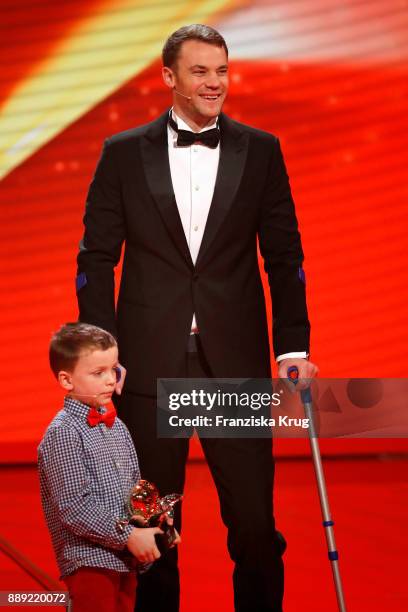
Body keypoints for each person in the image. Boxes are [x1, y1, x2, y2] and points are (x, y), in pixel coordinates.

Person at [76, 24, 318, 612]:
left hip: (230, 364)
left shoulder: (260, 150)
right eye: (200, 72)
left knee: (255, 526)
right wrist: (102, 353)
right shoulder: (123, 153)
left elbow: (285, 257)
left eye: (222, 71)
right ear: (168, 78)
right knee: (155, 531)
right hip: (149, 365)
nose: (215, 84)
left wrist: (292, 347)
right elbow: (95, 258)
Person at [38, 322, 179, 612]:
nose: (109, 380)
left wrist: (155, 522)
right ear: (66, 380)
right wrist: (127, 535)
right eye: (97, 372)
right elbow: (75, 507)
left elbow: (134, 490)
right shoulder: (63, 432)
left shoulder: (117, 427)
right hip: (89, 563)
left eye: (113, 369)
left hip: (125, 561)